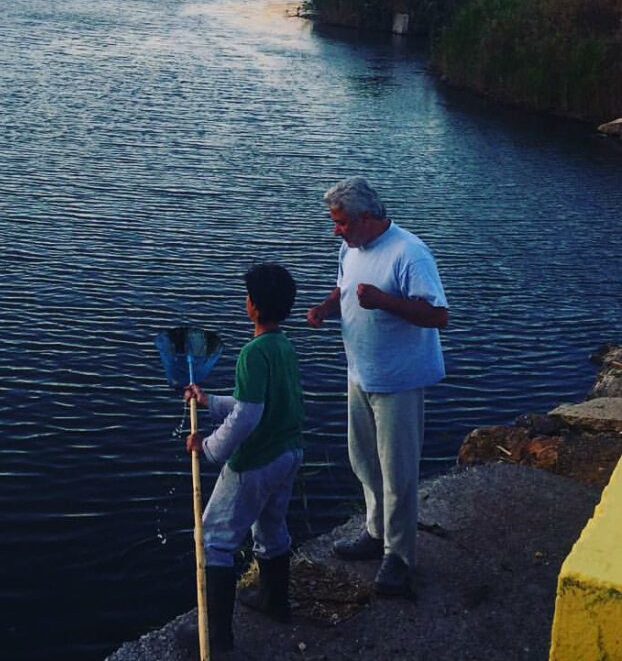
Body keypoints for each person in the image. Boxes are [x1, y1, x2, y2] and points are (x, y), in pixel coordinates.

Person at [306, 177, 448, 597]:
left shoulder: (409, 252)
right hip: (360, 373)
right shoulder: (351, 248)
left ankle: (399, 557)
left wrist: (385, 301)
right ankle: (374, 532)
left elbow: (438, 315)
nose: (336, 230)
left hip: (399, 381)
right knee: (364, 462)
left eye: (342, 222)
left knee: (399, 472)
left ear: (367, 218)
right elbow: (345, 290)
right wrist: (326, 309)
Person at [181, 263, 305, 655]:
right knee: (270, 528)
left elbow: (248, 417)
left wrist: (209, 447)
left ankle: (217, 640)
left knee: (213, 539)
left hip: (256, 459)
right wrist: (211, 402)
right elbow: (259, 404)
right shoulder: (282, 346)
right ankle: (274, 601)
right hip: (288, 452)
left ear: (251, 305)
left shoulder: (252, 354)